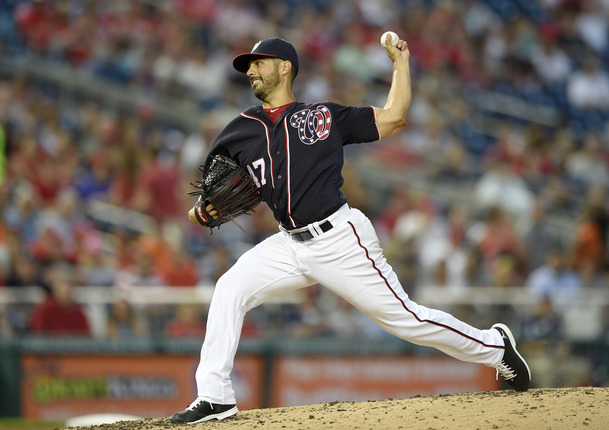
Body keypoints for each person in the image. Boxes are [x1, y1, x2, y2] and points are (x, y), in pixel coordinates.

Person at [170, 36, 531, 424]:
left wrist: (401, 63)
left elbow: (394, 116)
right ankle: (215, 396)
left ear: (285, 67)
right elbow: (209, 191)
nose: (251, 70)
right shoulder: (241, 129)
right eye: (248, 66)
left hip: (339, 239)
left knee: (405, 319)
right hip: (288, 243)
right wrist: (200, 213)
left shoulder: (321, 117)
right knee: (230, 288)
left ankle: (496, 347)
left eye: (259, 62)